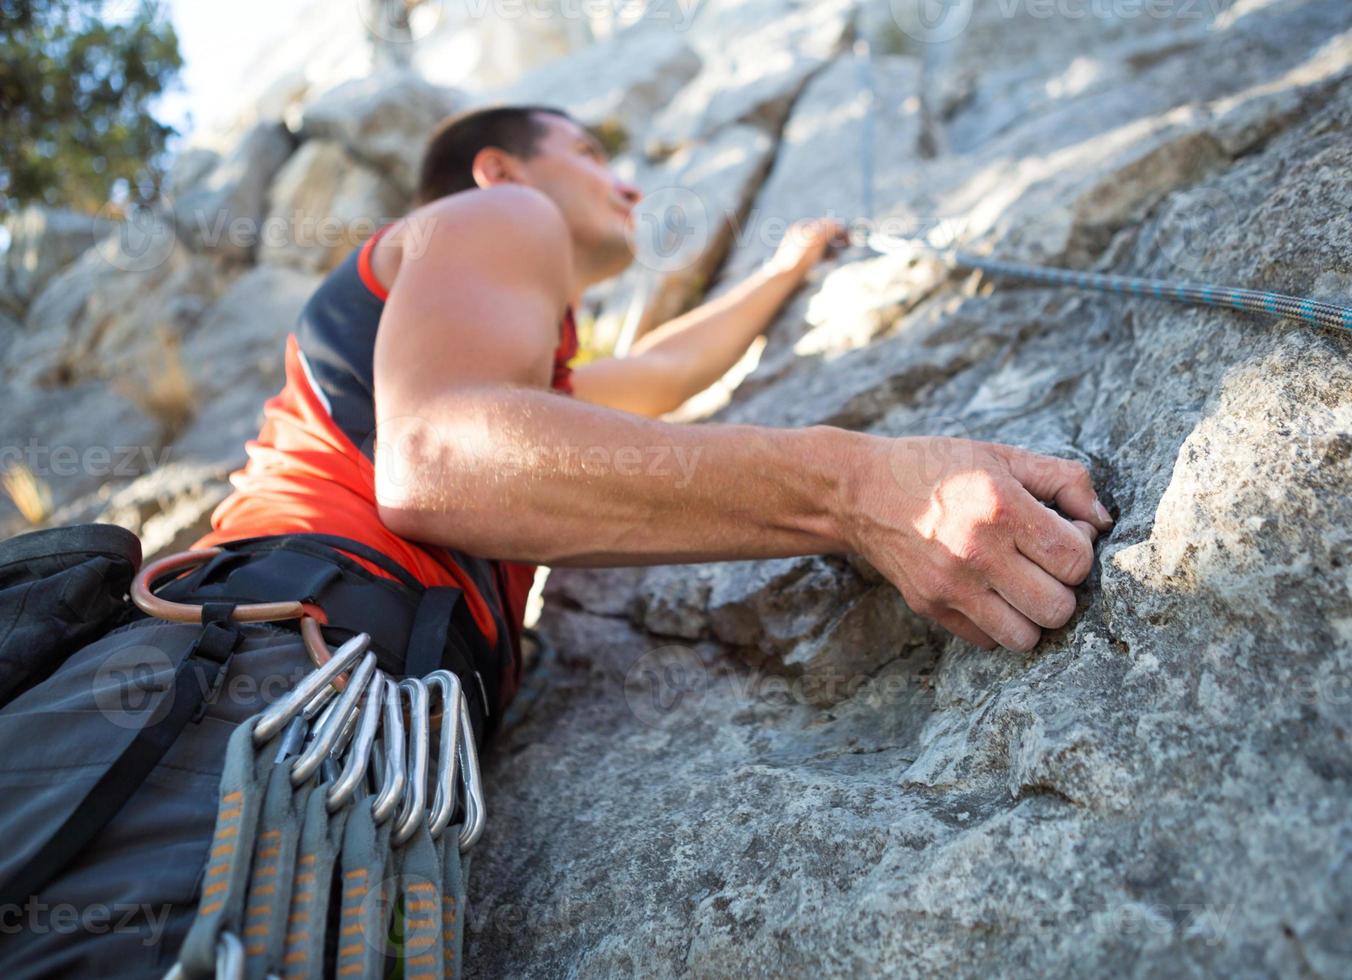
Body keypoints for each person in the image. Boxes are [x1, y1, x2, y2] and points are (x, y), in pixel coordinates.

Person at [0, 104, 1113, 977]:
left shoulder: (526, 362)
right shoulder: (500, 219)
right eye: (591, 149)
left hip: (306, 703)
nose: (627, 178)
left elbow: (661, 377)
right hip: (260, 680)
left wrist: (785, 271)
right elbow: (437, 457)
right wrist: (859, 485)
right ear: (502, 169)